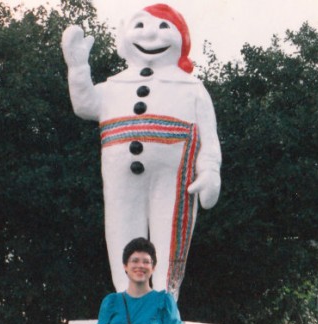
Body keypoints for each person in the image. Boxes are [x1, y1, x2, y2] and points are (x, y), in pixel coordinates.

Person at [62, 4, 221, 299]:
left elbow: (209, 138)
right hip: (120, 175)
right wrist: (78, 68)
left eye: (164, 27)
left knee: (169, 234)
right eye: (140, 26)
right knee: (121, 230)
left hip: (174, 173)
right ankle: (127, 297)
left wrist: (210, 170)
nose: (150, 33)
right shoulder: (113, 86)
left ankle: (164, 297)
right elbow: (85, 104)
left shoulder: (192, 88)